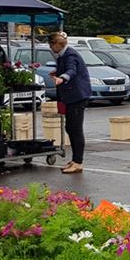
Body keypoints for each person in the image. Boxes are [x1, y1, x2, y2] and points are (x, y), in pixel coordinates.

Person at [49, 32, 91, 174]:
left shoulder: (70, 55)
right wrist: (58, 72)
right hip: (71, 97)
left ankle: (78, 162)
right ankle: (75, 159)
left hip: (77, 96)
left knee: (75, 129)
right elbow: (69, 69)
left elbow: (72, 70)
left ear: (56, 44)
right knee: (70, 128)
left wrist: (62, 77)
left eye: (51, 45)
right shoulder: (63, 55)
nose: (50, 48)